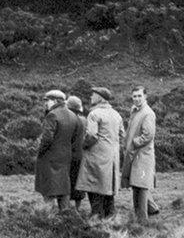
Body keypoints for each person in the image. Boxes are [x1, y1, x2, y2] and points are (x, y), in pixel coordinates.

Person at [76, 87, 124, 220]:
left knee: (94, 186)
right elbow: (122, 134)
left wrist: (82, 146)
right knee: (109, 188)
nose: (91, 97)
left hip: (96, 156)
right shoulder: (116, 114)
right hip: (112, 157)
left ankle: (96, 217)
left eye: (93, 95)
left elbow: (91, 136)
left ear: (99, 98)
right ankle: (110, 217)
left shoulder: (94, 114)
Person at [34, 90, 83, 211]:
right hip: (66, 158)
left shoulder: (52, 115)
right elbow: (75, 140)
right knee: (64, 190)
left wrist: (40, 152)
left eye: (47, 100)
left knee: (48, 190)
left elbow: (47, 138)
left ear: (56, 101)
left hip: (49, 159)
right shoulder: (73, 116)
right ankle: (65, 216)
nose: (45, 103)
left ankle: (48, 217)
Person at [122, 86, 159, 223]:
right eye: (134, 96)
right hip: (135, 153)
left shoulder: (148, 113)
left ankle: (142, 220)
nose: (136, 99)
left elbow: (148, 135)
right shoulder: (135, 111)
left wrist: (133, 143)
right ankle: (148, 211)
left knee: (141, 186)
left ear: (145, 97)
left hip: (143, 154)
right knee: (136, 185)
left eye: (139, 96)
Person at [66, 95, 87, 212]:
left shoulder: (67, 120)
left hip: (68, 154)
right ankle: (78, 207)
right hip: (81, 154)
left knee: (67, 180)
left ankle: (66, 206)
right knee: (78, 180)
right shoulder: (84, 120)